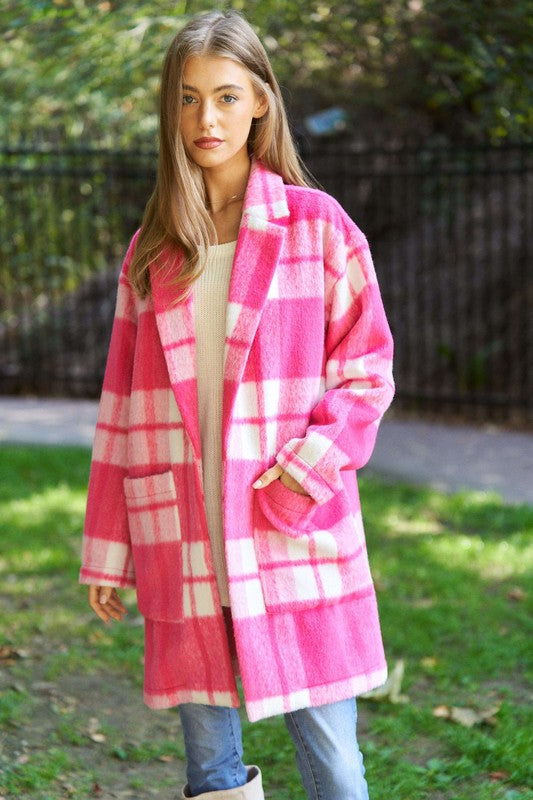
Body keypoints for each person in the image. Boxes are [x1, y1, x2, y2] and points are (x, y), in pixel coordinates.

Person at [80, 10, 394, 800]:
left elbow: (365, 373)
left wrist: (303, 476)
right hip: (182, 536)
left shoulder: (317, 229)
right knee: (210, 770)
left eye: (224, 96)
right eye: (187, 99)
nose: (205, 119)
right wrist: (108, 547)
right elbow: (121, 407)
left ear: (260, 101)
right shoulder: (154, 249)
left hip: (286, 530)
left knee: (334, 762)